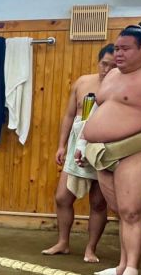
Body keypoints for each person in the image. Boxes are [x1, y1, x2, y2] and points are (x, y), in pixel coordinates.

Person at [75, 23, 141, 275]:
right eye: (116, 48)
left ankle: (131, 271)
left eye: (125, 49)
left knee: (132, 212)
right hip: (103, 153)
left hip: (137, 150)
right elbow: (94, 113)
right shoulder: (113, 76)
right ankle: (121, 265)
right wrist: (82, 142)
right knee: (120, 211)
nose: (118, 54)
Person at [42, 44, 115, 262]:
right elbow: (68, 115)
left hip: (106, 146)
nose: (107, 69)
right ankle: (63, 242)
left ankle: (90, 249)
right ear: (98, 61)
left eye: (112, 66)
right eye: (104, 64)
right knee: (62, 197)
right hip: (77, 143)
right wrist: (62, 145)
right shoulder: (83, 82)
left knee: (98, 202)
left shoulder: (121, 87)